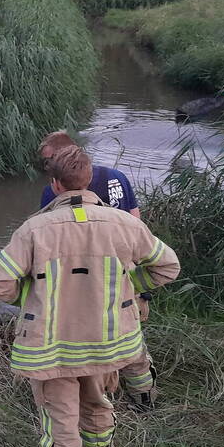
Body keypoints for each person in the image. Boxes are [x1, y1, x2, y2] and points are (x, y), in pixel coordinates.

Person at [0, 145, 179, 447]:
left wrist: (30, 295)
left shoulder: (33, 230)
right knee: (97, 400)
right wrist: (129, 286)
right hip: (107, 341)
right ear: (89, 179)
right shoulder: (125, 224)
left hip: (51, 345)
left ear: (55, 184)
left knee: (60, 417)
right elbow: (167, 267)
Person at [38, 131, 158, 410]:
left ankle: (99, 404)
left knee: (92, 342)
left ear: (64, 155)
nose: (47, 169)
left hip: (84, 284)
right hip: (124, 279)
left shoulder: (53, 191)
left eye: (49, 161)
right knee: (131, 341)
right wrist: (136, 278)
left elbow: (51, 242)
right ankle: (145, 401)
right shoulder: (117, 177)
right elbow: (138, 226)